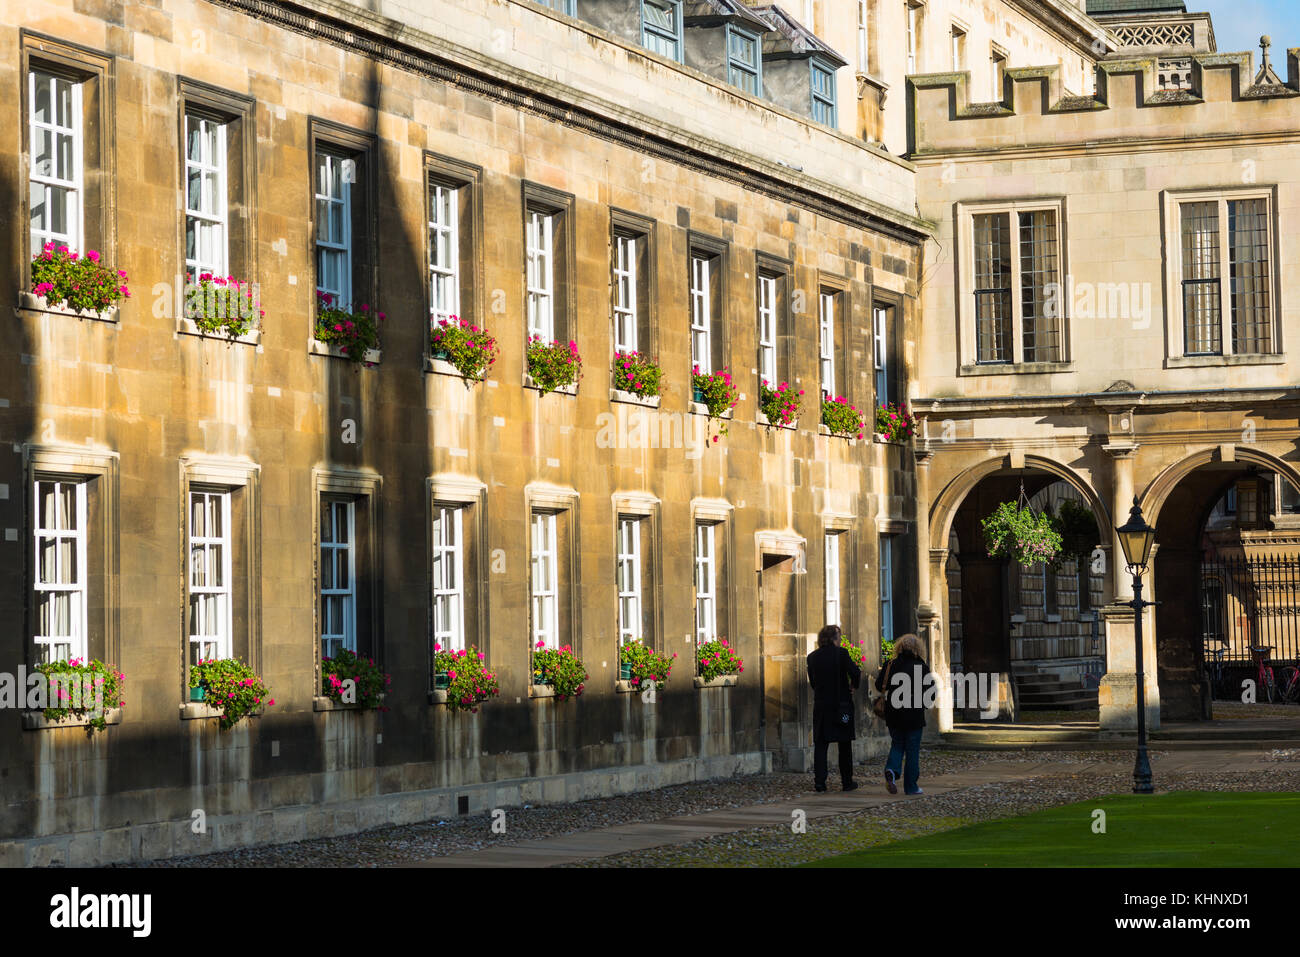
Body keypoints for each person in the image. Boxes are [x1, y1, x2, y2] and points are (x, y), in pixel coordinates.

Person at [806, 624, 861, 793]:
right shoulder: (841, 653)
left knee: (821, 745)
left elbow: (813, 682)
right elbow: (856, 673)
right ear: (834, 638)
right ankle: (846, 782)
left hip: (822, 706)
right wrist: (853, 686)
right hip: (841, 705)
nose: (840, 639)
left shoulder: (812, 657)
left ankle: (820, 783)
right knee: (844, 745)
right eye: (839, 636)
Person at [875, 633, 930, 795]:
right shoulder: (921, 666)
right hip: (914, 713)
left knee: (897, 743)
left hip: (894, 712)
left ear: (899, 647)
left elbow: (879, 685)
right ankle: (911, 787)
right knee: (912, 750)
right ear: (918, 648)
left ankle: (892, 770)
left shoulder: (890, 665)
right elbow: (930, 692)